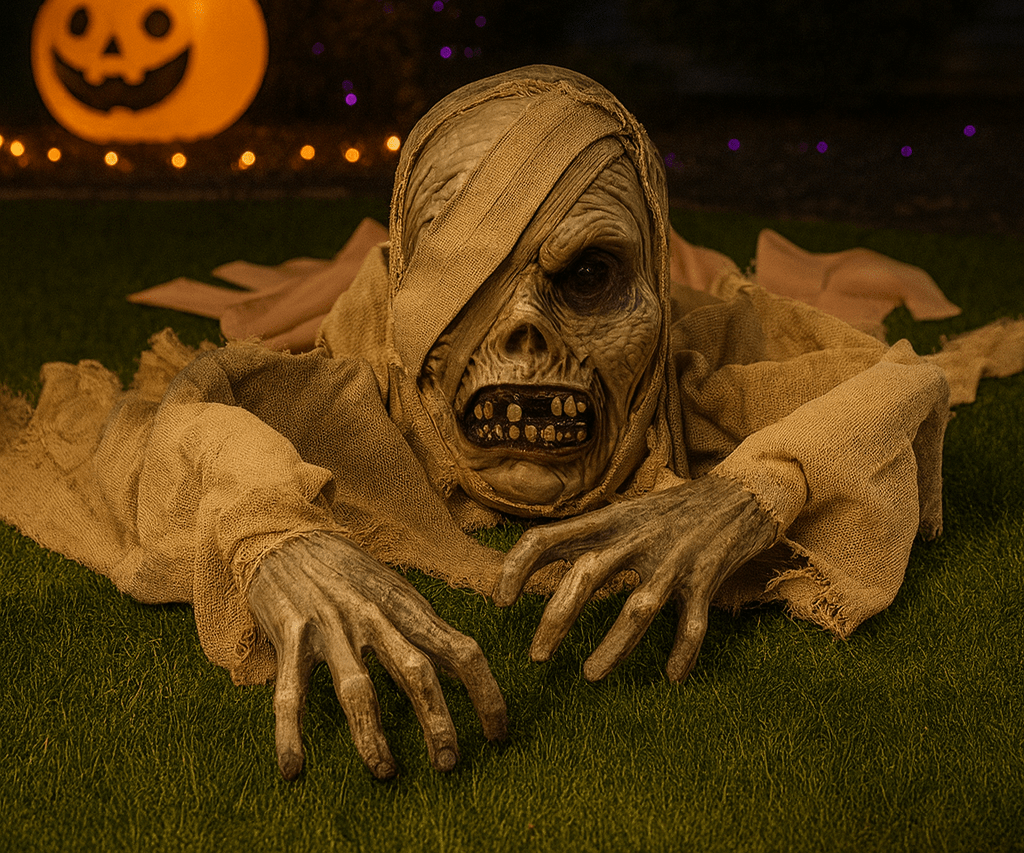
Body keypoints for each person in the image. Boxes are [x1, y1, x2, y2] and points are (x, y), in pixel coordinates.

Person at [3, 66, 1006, 782]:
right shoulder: (353, 387)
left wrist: (752, 488)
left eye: (587, 277)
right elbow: (183, 419)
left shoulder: (707, 341)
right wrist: (271, 535)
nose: (522, 331)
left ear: (654, 291)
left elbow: (894, 386)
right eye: (467, 284)